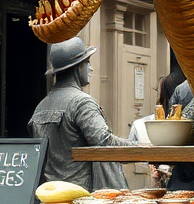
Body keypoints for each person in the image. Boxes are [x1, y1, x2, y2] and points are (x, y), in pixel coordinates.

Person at [28, 37, 135, 191]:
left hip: (51, 194)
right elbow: (105, 143)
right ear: (78, 68)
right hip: (82, 196)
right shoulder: (82, 102)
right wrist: (140, 147)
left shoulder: (40, 107)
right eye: (87, 63)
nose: (90, 69)